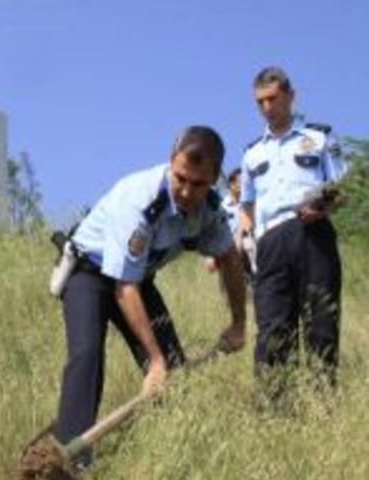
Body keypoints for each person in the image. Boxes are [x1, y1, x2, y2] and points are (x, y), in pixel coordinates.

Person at [53, 126, 247, 467]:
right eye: (181, 177)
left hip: (138, 280)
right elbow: (122, 289)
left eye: (198, 184)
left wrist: (238, 323)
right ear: (171, 161)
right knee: (87, 356)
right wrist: (153, 362)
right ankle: (68, 462)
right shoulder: (140, 198)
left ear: (215, 179)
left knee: (174, 371)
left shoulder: (211, 213)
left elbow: (229, 257)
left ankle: (167, 457)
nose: (186, 191)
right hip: (90, 273)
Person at [238, 66, 348, 397]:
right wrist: (245, 239)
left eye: (273, 98)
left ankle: (321, 407)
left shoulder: (320, 137)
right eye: (260, 102)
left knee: (320, 323)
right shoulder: (251, 152)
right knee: (272, 328)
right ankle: (273, 412)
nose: (267, 107)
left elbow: (343, 188)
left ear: (290, 96)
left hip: (312, 233)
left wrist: (322, 206)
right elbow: (246, 206)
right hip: (270, 241)